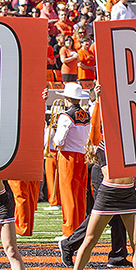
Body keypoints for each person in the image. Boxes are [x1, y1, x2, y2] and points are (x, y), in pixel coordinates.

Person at [57, 85, 136, 270]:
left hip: (128, 195)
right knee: (90, 239)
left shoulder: (131, 142)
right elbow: (93, 131)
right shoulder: (101, 142)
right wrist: (100, 100)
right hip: (109, 193)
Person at [52, 82, 91, 239]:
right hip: (83, 156)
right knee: (80, 194)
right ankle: (80, 229)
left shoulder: (65, 116)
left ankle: (69, 230)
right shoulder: (86, 115)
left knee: (68, 194)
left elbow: (59, 140)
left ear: (67, 98)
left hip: (68, 156)